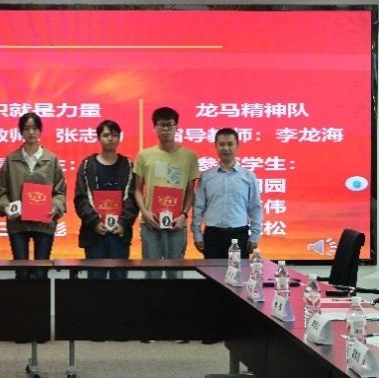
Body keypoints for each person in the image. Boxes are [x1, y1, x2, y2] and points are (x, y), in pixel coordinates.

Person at [0, 112, 66, 279]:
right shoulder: (11, 159)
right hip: (18, 223)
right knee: (22, 272)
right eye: (26, 128)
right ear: (21, 132)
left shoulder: (51, 159)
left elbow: (60, 192)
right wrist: (7, 207)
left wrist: (55, 207)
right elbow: (0, 191)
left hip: (44, 223)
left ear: (40, 131)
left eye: (34, 128)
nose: (31, 132)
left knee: (41, 272)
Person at [134, 107, 199, 279]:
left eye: (169, 125)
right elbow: (137, 189)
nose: (166, 129)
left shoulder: (189, 156)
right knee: (151, 273)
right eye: (161, 125)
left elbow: (190, 191)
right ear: (154, 128)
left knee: (175, 274)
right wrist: (145, 213)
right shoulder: (144, 155)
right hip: (151, 222)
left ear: (176, 127)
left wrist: (184, 215)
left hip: (177, 223)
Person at [74, 120, 139, 279]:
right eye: (106, 135)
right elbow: (81, 199)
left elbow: (132, 199)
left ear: (119, 138)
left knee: (119, 281)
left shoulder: (128, 166)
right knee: (96, 282)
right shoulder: (87, 165)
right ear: (98, 138)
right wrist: (95, 222)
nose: (110, 138)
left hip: (120, 234)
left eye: (115, 135)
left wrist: (123, 223)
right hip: (94, 233)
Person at [191, 128, 262, 259]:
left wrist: (255, 236)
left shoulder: (248, 177)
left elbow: (255, 209)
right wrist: (197, 235)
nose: (226, 148)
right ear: (216, 146)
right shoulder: (206, 176)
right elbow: (198, 208)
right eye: (222, 144)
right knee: (212, 272)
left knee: (238, 272)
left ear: (237, 146)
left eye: (230, 144)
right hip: (212, 235)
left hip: (239, 235)